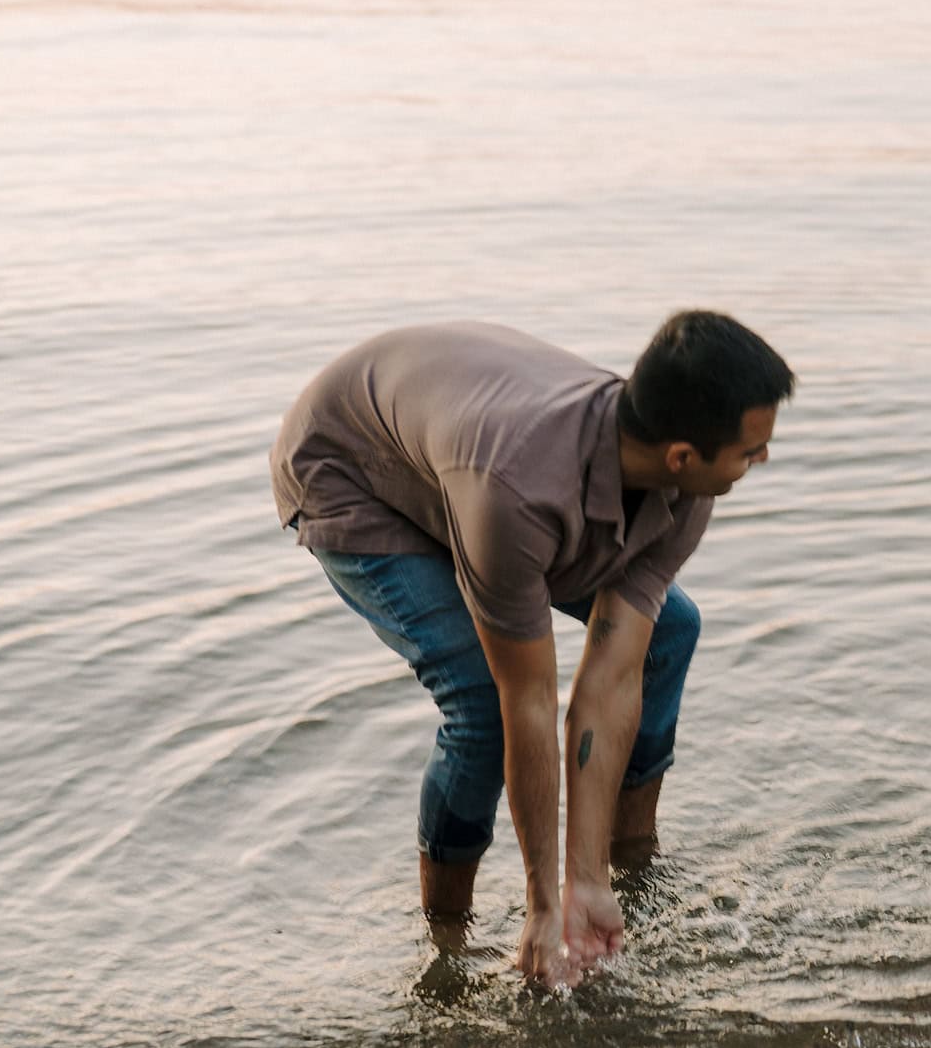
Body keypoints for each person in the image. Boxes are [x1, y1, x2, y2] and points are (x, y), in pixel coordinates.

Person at [270, 312, 793, 984]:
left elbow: (610, 677)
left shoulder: (684, 490)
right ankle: (447, 946)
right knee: (483, 702)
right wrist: (544, 903)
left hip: (462, 453)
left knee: (669, 629)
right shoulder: (517, 489)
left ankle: (628, 864)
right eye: (750, 452)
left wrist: (588, 878)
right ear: (682, 455)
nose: (762, 460)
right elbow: (532, 699)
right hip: (355, 470)